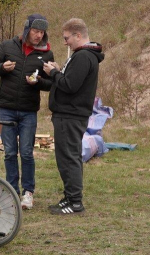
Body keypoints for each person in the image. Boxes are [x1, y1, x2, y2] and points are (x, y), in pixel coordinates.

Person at [0, 14, 55, 210]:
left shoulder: (46, 54)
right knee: (9, 153)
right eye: (35, 31)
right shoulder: (7, 46)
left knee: (26, 153)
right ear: (27, 30)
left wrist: (39, 81)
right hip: (6, 109)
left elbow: (51, 83)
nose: (38, 35)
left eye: (41, 32)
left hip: (28, 111)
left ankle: (28, 192)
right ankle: (11, 190)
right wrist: (2, 67)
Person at [43, 18, 104, 215]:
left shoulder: (83, 57)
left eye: (67, 38)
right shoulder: (82, 56)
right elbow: (70, 81)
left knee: (69, 158)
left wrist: (54, 73)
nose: (65, 42)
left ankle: (75, 202)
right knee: (66, 157)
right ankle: (69, 197)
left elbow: (70, 85)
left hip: (71, 115)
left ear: (78, 35)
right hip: (68, 114)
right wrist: (59, 73)